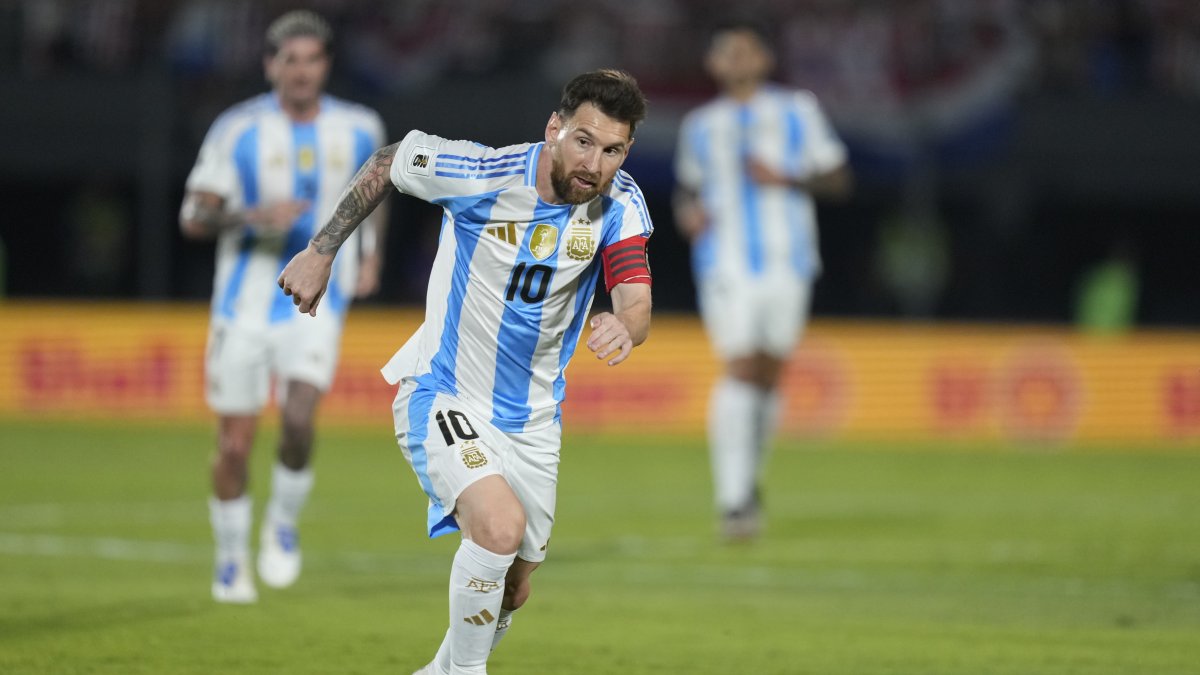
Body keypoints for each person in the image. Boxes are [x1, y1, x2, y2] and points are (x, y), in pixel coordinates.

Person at [277, 69, 652, 674]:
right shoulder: (485, 175)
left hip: (533, 420)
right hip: (445, 392)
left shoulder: (619, 203)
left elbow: (635, 301)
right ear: (554, 129)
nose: (594, 162)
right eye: (583, 141)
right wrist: (321, 251)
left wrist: (622, 326)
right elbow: (393, 159)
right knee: (499, 528)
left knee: (514, 586)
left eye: (612, 150)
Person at [179, 10, 388, 603]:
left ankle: (284, 523)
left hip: (318, 301)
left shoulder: (359, 127)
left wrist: (369, 251)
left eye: (312, 59)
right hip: (242, 306)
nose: (300, 71)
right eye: (288, 60)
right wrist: (248, 217)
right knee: (235, 443)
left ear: (326, 65)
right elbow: (193, 215)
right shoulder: (235, 128)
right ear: (271, 65)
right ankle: (229, 559)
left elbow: (378, 189)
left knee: (298, 419)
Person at [672, 21, 852, 541]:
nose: (736, 58)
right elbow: (689, 189)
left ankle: (749, 486)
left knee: (769, 375)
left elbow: (839, 177)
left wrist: (788, 178)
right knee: (742, 365)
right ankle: (731, 501)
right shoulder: (700, 125)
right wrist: (688, 215)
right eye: (725, 51)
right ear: (713, 65)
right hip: (724, 262)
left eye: (745, 50)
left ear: (765, 59)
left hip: (790, 261)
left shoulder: (798, 111)